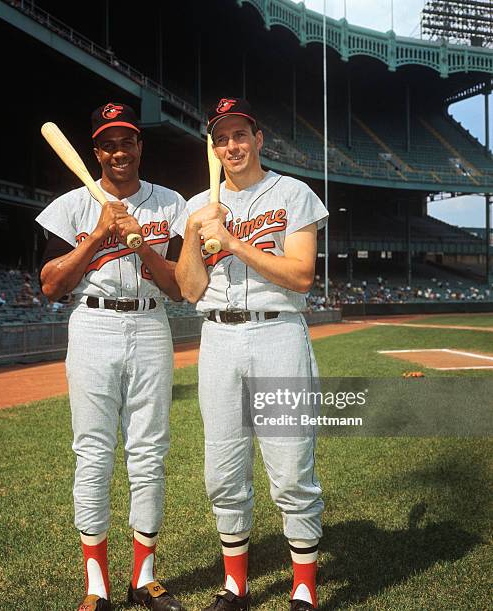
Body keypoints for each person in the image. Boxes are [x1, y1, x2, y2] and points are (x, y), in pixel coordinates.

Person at [175, 98, 329, 611]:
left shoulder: (293, 193)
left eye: (239, 135)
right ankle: (235, 584)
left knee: (289, 465)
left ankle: (303, 585)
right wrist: (198, 236)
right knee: (222, 469)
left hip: (277, 333)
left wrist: (234, 242)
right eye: (221, 139)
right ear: (214, 148)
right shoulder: (200, 205)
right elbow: (189, 290)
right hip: (217, 338)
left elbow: (302, 275)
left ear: (258, 139)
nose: (231, 146)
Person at [36, 102, 186, 611]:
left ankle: (142, 578)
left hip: (150, 322)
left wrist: (142, 247)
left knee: (150, 452)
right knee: (93, 453)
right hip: (93, 323)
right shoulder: (72, 206)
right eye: (109, 143)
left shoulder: (170, 204)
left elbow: (181, 289)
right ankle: (95, 586)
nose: (119, 151)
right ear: (96, 151)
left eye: (127, 142)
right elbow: (52, 285)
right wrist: (100, 233)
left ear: (140, 146)